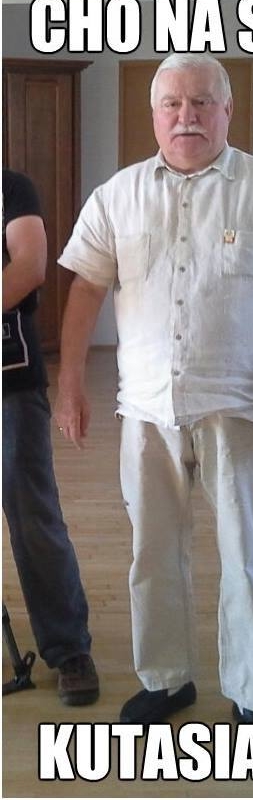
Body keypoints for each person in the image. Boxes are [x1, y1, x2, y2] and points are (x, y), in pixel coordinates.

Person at [55, 52, 253, 728]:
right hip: (145, 410)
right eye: (172, 103)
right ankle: (165, 680)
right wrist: (69, 383)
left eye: (202, 102)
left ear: (227, 110)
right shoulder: (117, 195)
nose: (187, 116)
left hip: (236, 409)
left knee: (245, 557)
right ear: (154, 114)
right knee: (151, 555)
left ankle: (251, 695)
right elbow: (86, 288)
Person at [2, 168, 99, 706]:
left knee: (34, 519)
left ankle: (68, 648)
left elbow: (29, 266)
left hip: (9, 382)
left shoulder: (11, 188)